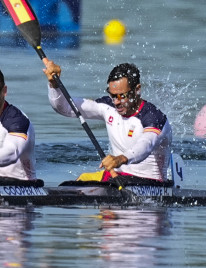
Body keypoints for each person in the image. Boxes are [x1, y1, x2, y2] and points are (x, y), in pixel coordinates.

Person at [42, 59, 172, 183]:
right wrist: (54, 85)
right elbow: (64, 108)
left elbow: (146, 145)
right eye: (112, 95)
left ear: (137, 89)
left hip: (148, 182)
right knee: (77, 182)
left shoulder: (154, 118)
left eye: (122, 96)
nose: (116, 102)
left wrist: (120, 159)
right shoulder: (107, 106)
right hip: (114, 177)